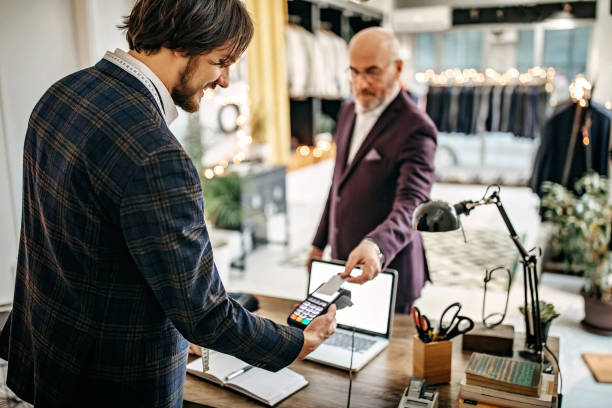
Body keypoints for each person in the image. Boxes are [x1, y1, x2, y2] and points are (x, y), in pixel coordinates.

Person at [0, 1, 335, 406]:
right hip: (115, 381)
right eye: (221, 61)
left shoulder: (61, 94)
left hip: (50, 354)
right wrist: (295, 342)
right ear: (179, 43)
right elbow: (205, 314)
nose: (225, 80)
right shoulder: (158, 155)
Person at [307, 27, 437, 313]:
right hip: (344, 261)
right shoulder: (346, 112)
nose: (360, 83)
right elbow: (338, 185)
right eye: (353, 72)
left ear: (398, 68)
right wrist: (319, 243)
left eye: (372, 72)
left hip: (392, 271)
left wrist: (376, 245)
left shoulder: (417, 128)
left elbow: (412, 204)